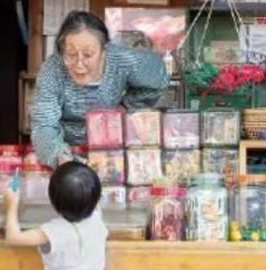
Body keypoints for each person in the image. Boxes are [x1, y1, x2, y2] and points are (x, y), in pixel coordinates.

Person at [31, 10, 169, 166]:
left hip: (111, 146)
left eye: (88, 54)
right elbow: (44, 124)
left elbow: (159, 78)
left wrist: (127, 106)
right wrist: (60, 158)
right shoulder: (53, 69)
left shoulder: (123, 59)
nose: (79, 64)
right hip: (66, 148)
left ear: (104, 51)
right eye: (71, 54)